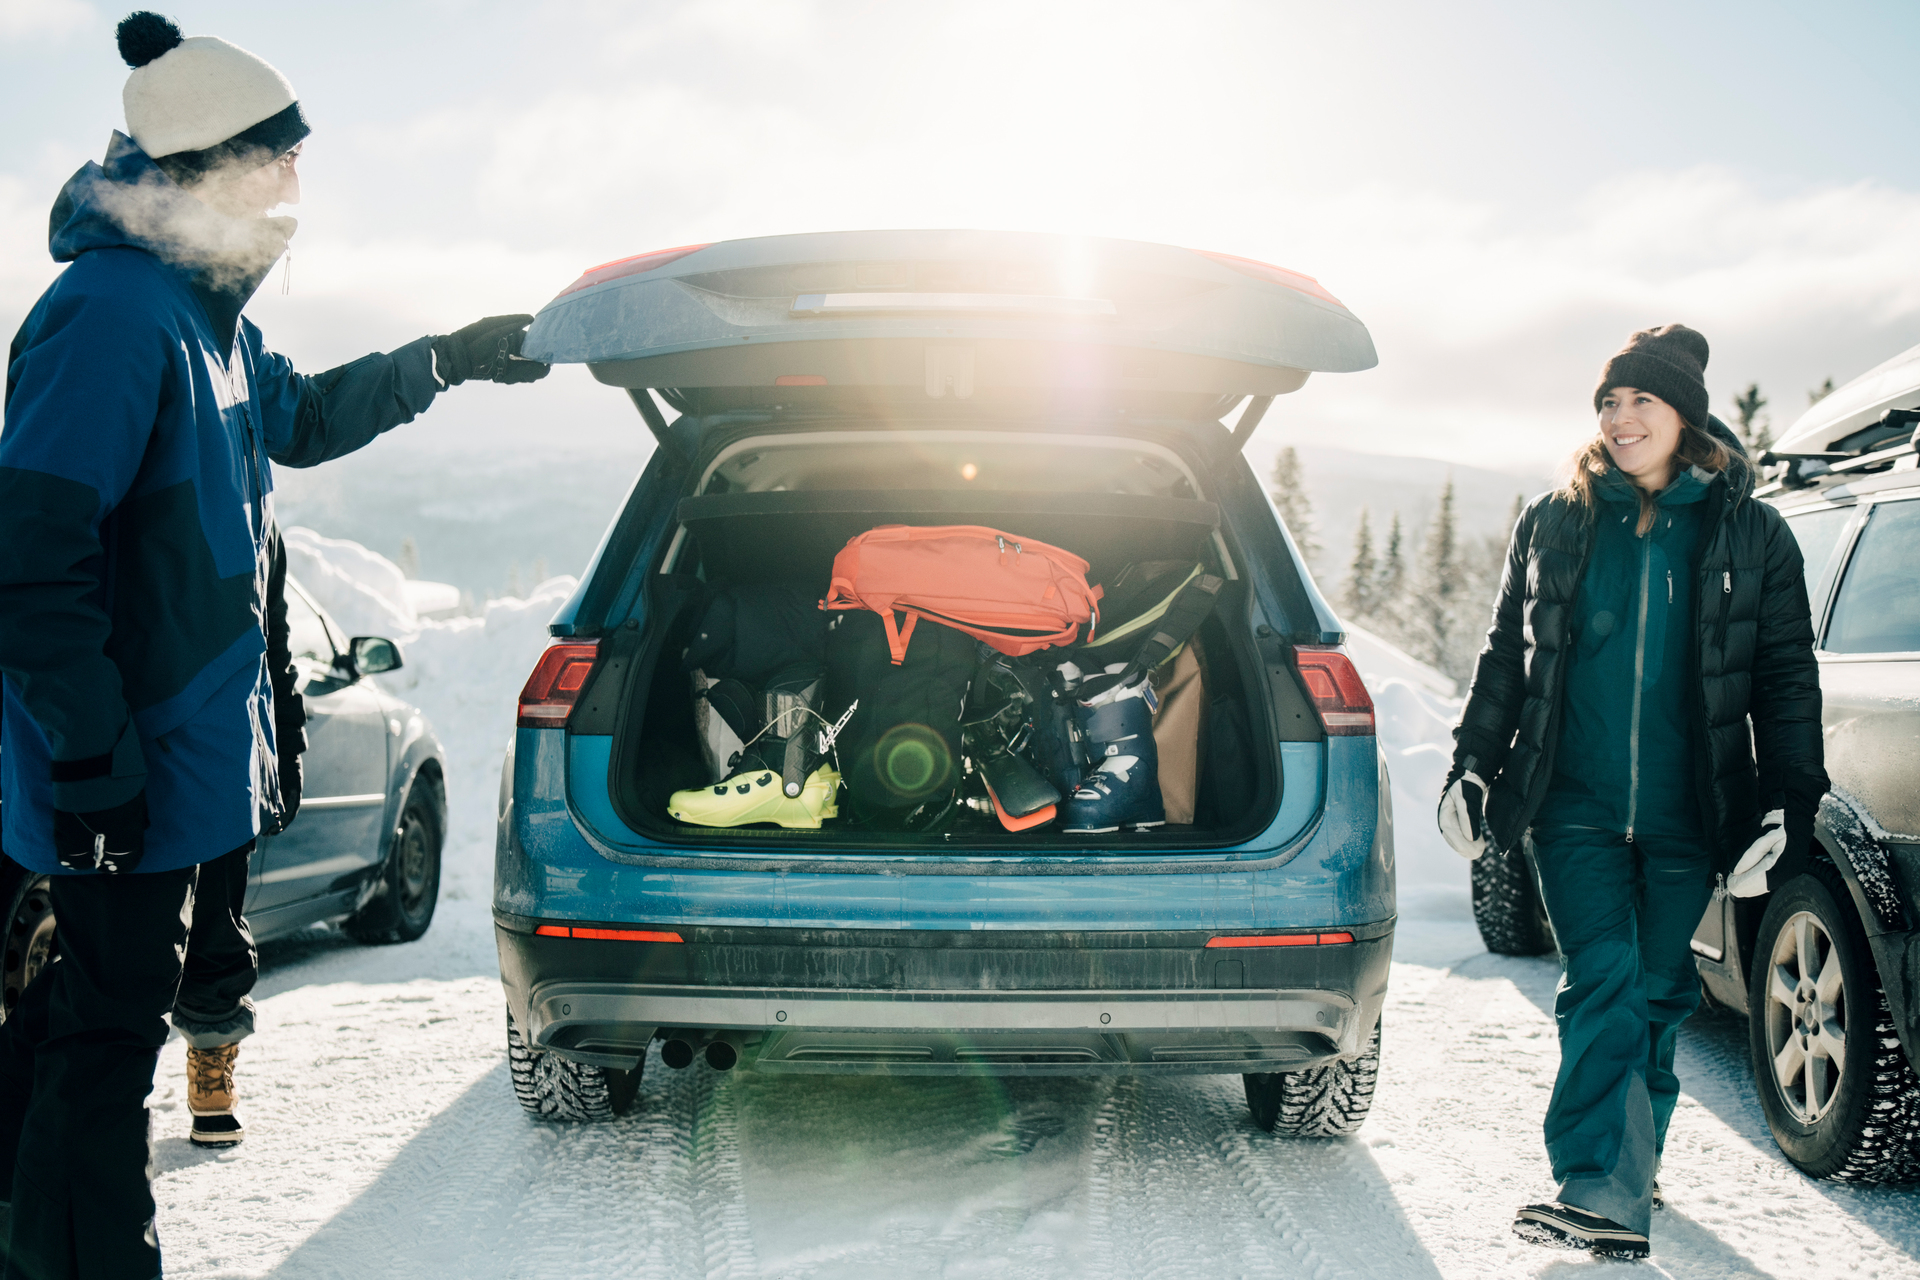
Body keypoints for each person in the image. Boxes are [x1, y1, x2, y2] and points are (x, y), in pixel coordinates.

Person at [0, 11, 549, 1276]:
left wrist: (445, 359)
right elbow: (32, 554)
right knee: (101, 1053)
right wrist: (91, 759)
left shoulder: (211, 322)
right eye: (279, 156)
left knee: (79, 1023)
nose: (299, 181)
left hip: (179, 764)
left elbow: (302, 415)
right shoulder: (112, 314)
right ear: (210, 166)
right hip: (122, 768)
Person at [1436, 323, 1827, 1259]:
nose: (1618, 418)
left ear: (1683, 414)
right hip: (1570, 802)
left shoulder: (1752, 532)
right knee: (1604, 977)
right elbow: (1507, 654)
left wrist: (1790, 800)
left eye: (1639, 400)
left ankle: (1625, 1163)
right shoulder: (1556, 520)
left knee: (1655, 993)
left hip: (1694, 811)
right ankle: (1599, 1188)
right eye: (1608, 402)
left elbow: (1783, 673)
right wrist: (1474, 761)